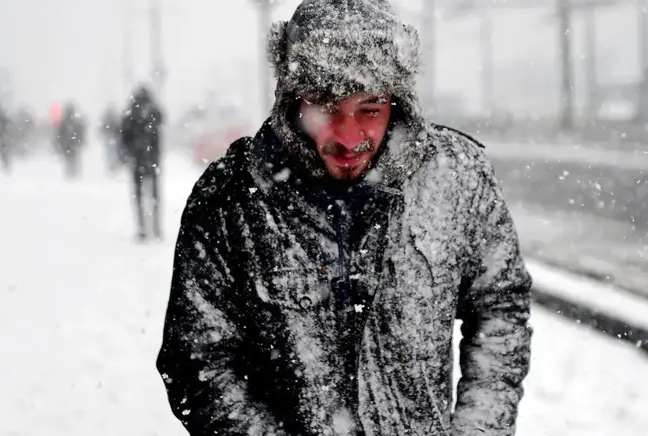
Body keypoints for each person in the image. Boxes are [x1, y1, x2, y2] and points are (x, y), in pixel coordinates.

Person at [157, 1, 533, 435]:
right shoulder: (231, 199)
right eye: (324, 106)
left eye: (370, 109)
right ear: (292, 100)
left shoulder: (458, 177)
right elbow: (198, 360)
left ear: (398, 102)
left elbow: (500, 309)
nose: (348, 136)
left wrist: (479, 429)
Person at [121, 86, 164, 240]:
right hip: (152, 158)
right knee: (154, 195)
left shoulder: (131, 112)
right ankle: (156, 228)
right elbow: (160, 122)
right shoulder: (153, 110)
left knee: (138, 195)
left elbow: (124, 135)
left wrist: (129, 152)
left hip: (137, 159)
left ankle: (142, 228)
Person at [56, 103, 86, 178]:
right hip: (71, 144)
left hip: (69, 144)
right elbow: (80, 133)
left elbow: (59, 134)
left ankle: (71, 174)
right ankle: (73, 173)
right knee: (72, 160)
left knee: (70, 160)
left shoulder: (66, 122)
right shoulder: (74, 122)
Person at [99, 105, 123, 174]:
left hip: (110, 139)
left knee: (110, 155)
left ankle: (111, 167)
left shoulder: (106, 119)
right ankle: (112, 167)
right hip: (113, 139)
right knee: (113, 154)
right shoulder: (115, 119)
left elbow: (102, 128)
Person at [0, 105, 10, 173]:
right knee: (4, 149)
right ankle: (6, 164)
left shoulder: (2, 115)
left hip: (2, 134)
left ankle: (6, 164)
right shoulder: (2, 115)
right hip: (2, 134)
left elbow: (7, 121)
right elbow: (7, 121)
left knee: (4, 150)